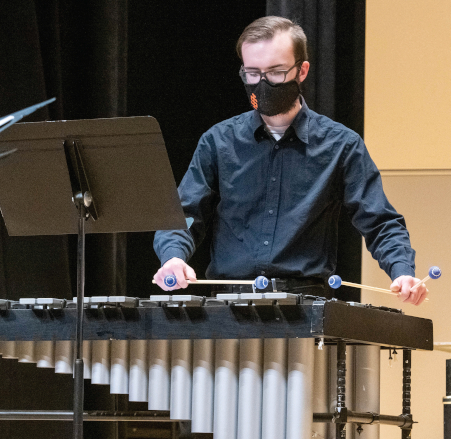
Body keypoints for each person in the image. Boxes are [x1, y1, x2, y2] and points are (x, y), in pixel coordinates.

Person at [153, 16, 427, 304]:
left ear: (302, 70)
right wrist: (173, 257)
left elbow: (379, 221)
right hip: (228, 304)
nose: (262, 84)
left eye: (276, 72)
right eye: (252, 73)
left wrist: (401, 271)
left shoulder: (341, 145)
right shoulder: (218, 141)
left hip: (306, 305)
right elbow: (183, 214)